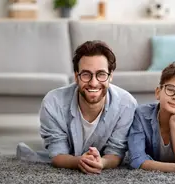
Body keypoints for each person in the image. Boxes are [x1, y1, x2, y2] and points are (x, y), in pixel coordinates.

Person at [16, 40, 137, 174]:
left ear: (110, 76)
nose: (94, 83)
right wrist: (79, 161)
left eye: (101, 74)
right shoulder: (53, 103)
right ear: (76, 76)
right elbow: (57, 153)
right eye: (86, 74)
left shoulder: (127, 105)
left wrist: (102, 162)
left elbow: (116, 151)